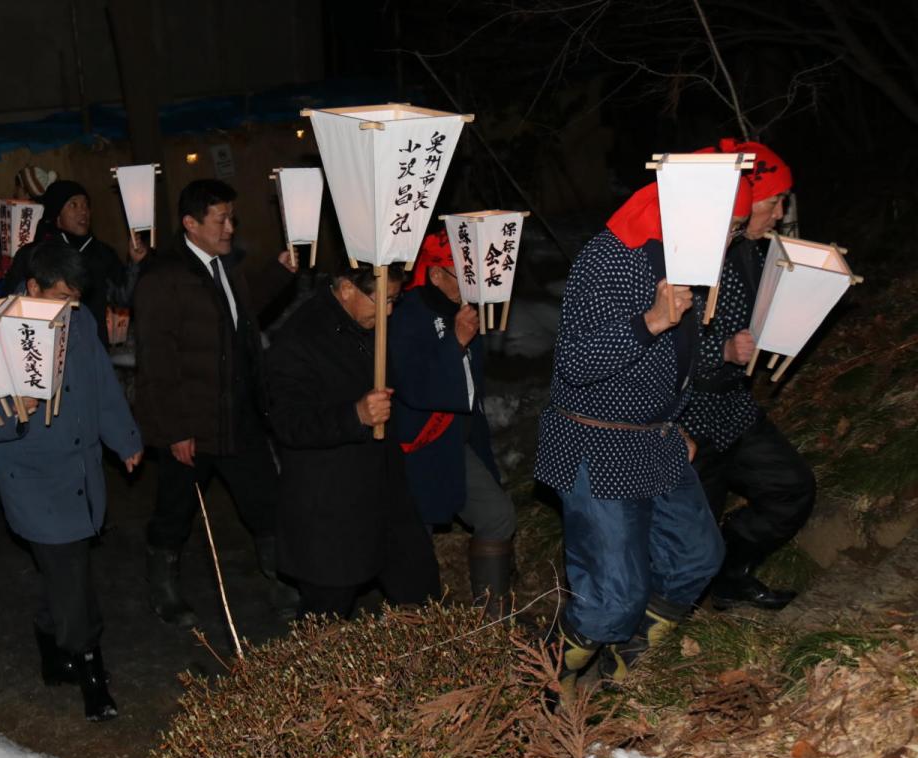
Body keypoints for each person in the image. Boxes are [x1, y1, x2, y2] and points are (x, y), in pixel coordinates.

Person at [534, 175, 752, 691]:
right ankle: (541, 691)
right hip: (598, 443)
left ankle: (618, 675)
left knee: (698, 557)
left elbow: (674, 359)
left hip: (657, 439)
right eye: (733, 227)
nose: (733, 241)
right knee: (613, 597)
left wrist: (681, 415)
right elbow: (576, 362)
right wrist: (649, 321)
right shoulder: (611, 258)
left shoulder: (688, 261)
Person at [0, 240, 142, 722]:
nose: (68, 309)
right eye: (59, 297)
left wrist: (124, 439)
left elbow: (102, 384)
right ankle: (90, 671)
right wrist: (16, 416)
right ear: (33, 286)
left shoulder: (79, 321)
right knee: (71, 573)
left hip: (82, 469)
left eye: (76, 299)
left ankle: (50, 641)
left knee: (66, 569)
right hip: (34, 478)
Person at [133, 179, 298, 626]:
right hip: (193, 423)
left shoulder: (226, 265)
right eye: (220, 218)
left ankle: (285, 579)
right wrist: (176, 429)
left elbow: (239, 315)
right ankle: (163, 588)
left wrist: (280, 272)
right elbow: (156, 360)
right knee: (176, 508)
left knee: (264, 501)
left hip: (238, 415)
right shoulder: (163, 276)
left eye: (231, 216)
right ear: (190, 223)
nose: (230, 226)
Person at [682, 139, 816, 611]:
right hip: (688, 415)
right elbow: (657, 346)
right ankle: (659, 625)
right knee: (688, 537)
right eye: (774, 200)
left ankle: (730, 572)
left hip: (734, 406)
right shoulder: (690, 252)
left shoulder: (749, 250)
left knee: (791, 488)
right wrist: (721, 348)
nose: (780, 212)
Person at [266, 261, 440, 618]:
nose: (389, 311)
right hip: (330, 506)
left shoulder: (369, 326)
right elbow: (288, 422)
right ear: (346, 288)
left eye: (395, 300)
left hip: (384, 491)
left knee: (419, 592)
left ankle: (420, 671)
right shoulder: (299, 339)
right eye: (384, 300)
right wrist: (355, 415)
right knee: (326, 615)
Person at [389, 229, 515, 619]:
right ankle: (415, 632)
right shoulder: (405, 315)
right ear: (436, 274)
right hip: (415, 448)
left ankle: (491, 622)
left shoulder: (460, 306)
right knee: (414, 543)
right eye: (463, 274)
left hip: (456, 442)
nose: (472, 283)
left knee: (497, 515)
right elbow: (413, 385)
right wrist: (456, 342)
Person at [7, 180, 138, 344]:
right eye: (73, 205)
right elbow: (13, 304)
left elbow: (123, 297)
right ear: (57, 214)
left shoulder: (102, 253)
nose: (83, 212)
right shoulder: (33, 255)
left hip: (92, 345)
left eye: (86, 205)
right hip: (47, 347)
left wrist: (135, 263)